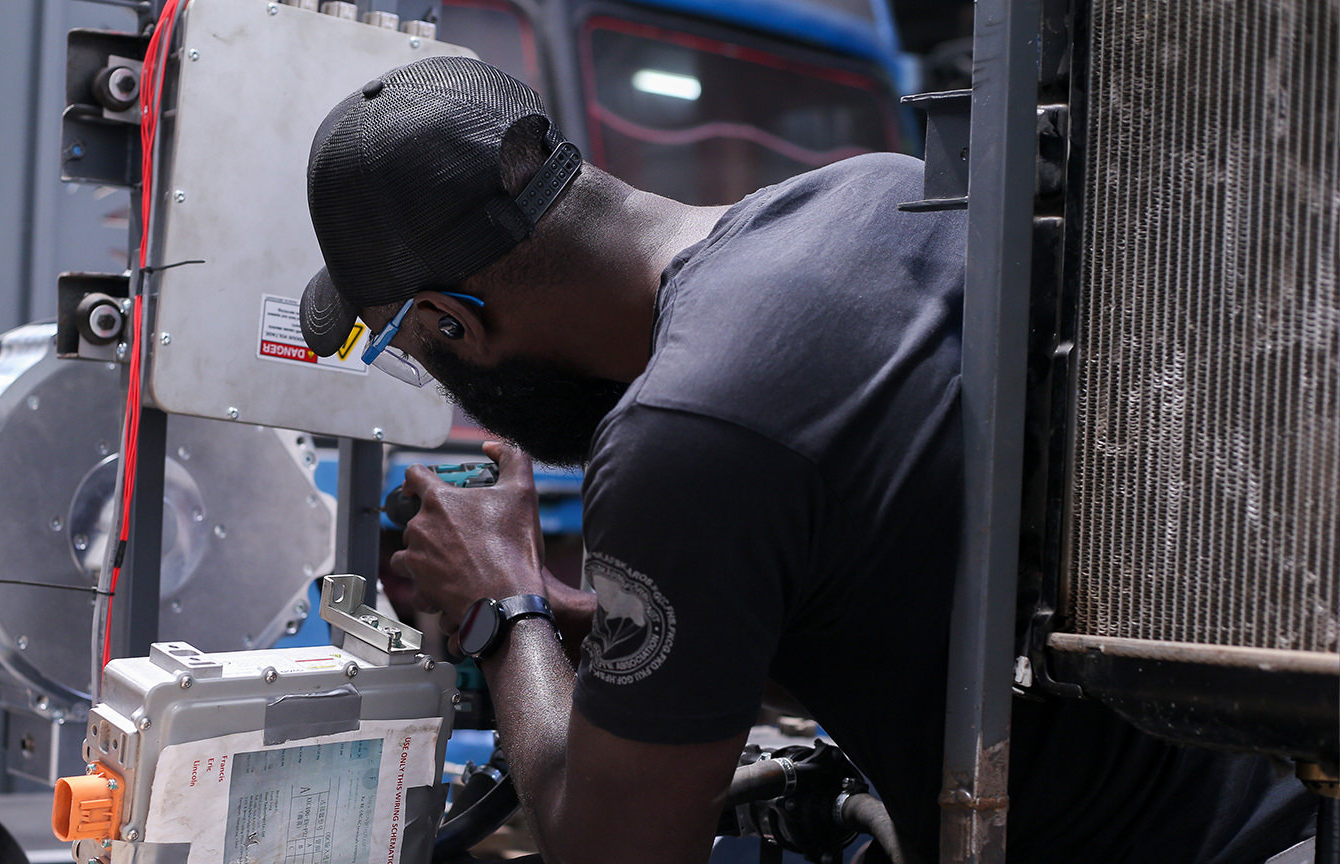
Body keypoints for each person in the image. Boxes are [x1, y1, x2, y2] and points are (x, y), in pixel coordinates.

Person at [299, 56, 1315, 864]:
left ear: (449, 321)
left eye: (407, 345)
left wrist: (502, 606)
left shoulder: (681, 431)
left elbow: (617, 848)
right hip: (1275, 801)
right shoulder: (872, 195)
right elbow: (896, 542)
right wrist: (591, 620)